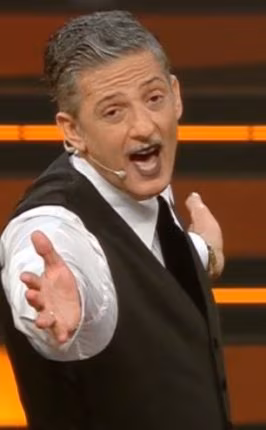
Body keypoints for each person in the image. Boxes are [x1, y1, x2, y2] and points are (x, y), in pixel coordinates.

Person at [0, 11, 232, 430]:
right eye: (113, 112)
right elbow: (51, 271)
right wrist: (53, 315)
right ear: (73, 131)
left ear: (176, 95)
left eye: (154, 98)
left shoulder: (140, 180)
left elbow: (146, 270)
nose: (144, 126)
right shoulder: (51, 224)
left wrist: (203, 253)